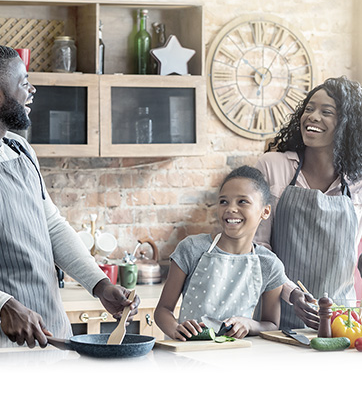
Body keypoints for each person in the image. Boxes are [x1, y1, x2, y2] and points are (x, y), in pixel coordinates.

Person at [0, 45, 140, 348]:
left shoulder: (20, 151)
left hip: (52, 334)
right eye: (23, 83)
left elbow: (52, 226)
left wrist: (99, 284)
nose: (32, 89)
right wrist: (3, 304)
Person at [254, 76, 362, 330]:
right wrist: (291, 292)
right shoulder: (272, 166)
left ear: (348, 125)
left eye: (326, 112)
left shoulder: (358, 183)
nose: (312, 116)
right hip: (275, 316)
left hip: (341, 319)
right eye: (309, 108)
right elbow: (257, 246)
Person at [155, 165, 287, 340]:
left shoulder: (270, 264)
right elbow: (163, 310)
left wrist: (248, 324)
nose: (230, 208)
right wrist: (175, 329)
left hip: (236, 357)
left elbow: (271, 325)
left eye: (242, 201)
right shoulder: (191, 248)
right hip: (188, 355)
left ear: (265, 211)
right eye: (224, 201)